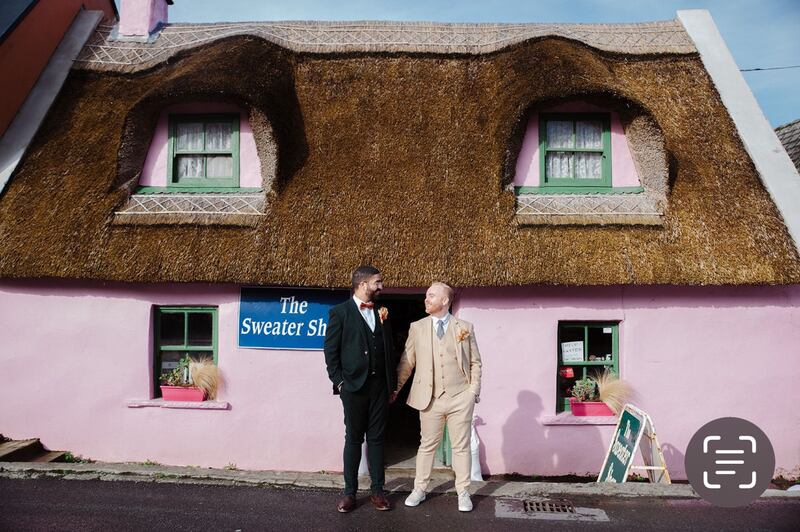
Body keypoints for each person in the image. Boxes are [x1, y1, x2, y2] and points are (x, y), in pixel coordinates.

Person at [392, 282, 482, 512]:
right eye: (426, 296)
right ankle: (419, 488)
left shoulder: (465, 327)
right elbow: (407, 362)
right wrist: (396, 389)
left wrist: (473, 392)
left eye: (431, 296)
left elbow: (475, 363)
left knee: (460, 447)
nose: (426, 299)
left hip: (460, 396)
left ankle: (463, 492)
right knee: (427, 445)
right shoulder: (417, 327)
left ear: (444, 300)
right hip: (429, 398)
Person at [324, 266, 396, 513]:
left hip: (379, 387)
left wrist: (392, 384)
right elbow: (330, 353)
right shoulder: (339, 313)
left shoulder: (382, 312)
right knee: (353, 438)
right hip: (353, 388)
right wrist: (340, 382)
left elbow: (389, 350)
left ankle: (378, 491)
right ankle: (349, 493)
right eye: (378, 282)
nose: (381, 286)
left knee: (377, 439)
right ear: (363, 284)